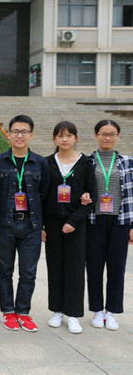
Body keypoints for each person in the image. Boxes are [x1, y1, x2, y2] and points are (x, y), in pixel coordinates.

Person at [0, 114, 49, 332]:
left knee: (28, 272)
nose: (19, 135)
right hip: (5, 225)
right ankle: (8, 312)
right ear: (8, 134)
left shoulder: (41, 163)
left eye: (24, 131)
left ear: (31, 135)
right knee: (5, 270)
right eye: (15, 131)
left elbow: (45, 196)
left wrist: (44, 226)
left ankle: (23, 312)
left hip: (31, 226)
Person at [42, 121, 96, 334]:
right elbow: (42, 195)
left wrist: (74, 221)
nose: (64, 139)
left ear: (76, 138)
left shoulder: (86, 164)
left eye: (69, 135)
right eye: (60, 135)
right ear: (54, 139)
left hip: (76, 224)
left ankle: (73, 314)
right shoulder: (47, 163)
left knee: (74, 268)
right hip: (52, 224)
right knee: (54, 266)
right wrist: (43, 225)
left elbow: (92, 197)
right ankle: (56, 310)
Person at [86, 119, 133, 331]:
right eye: (103, 134)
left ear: (118, 136)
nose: (107, 137)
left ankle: (111, 311)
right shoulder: (86, 161)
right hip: (94, 220)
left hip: (120, 221)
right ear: (96, 136)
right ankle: (97, 309)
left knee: (117, 267)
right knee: (94, 266)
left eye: (112, 134)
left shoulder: (128, 162)